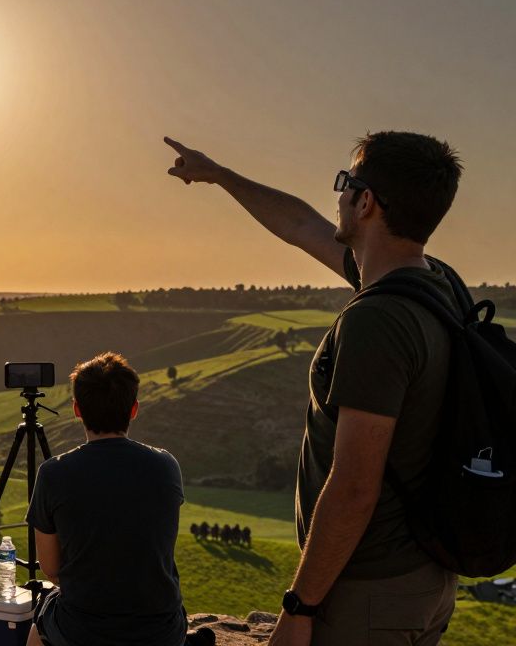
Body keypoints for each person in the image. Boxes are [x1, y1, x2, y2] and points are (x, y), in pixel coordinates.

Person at [164, 131, 464, 646]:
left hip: (366, 589)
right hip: (422, 575)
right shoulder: (436, 285)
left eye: (346, 182)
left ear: (365, 201)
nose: (339, 194)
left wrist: (300, 606)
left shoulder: (378, 320)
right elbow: (301, 225)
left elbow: (353, 486)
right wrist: (219, 175)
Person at [25, 352, 186, 646]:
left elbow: (50, 568)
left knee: (39, 625)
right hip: (161, 630)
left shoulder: (53, 473)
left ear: (77, 409)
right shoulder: (166, 465)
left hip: (81, 629)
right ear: (134, 409)